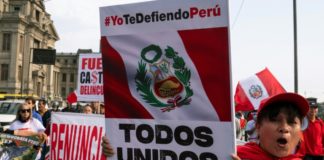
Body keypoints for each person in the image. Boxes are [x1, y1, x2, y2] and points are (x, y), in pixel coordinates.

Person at [232, 92, 310, 160]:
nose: (284, 128)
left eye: (292, 122)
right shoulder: (234, 155)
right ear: (258, 126)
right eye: (275, 120)